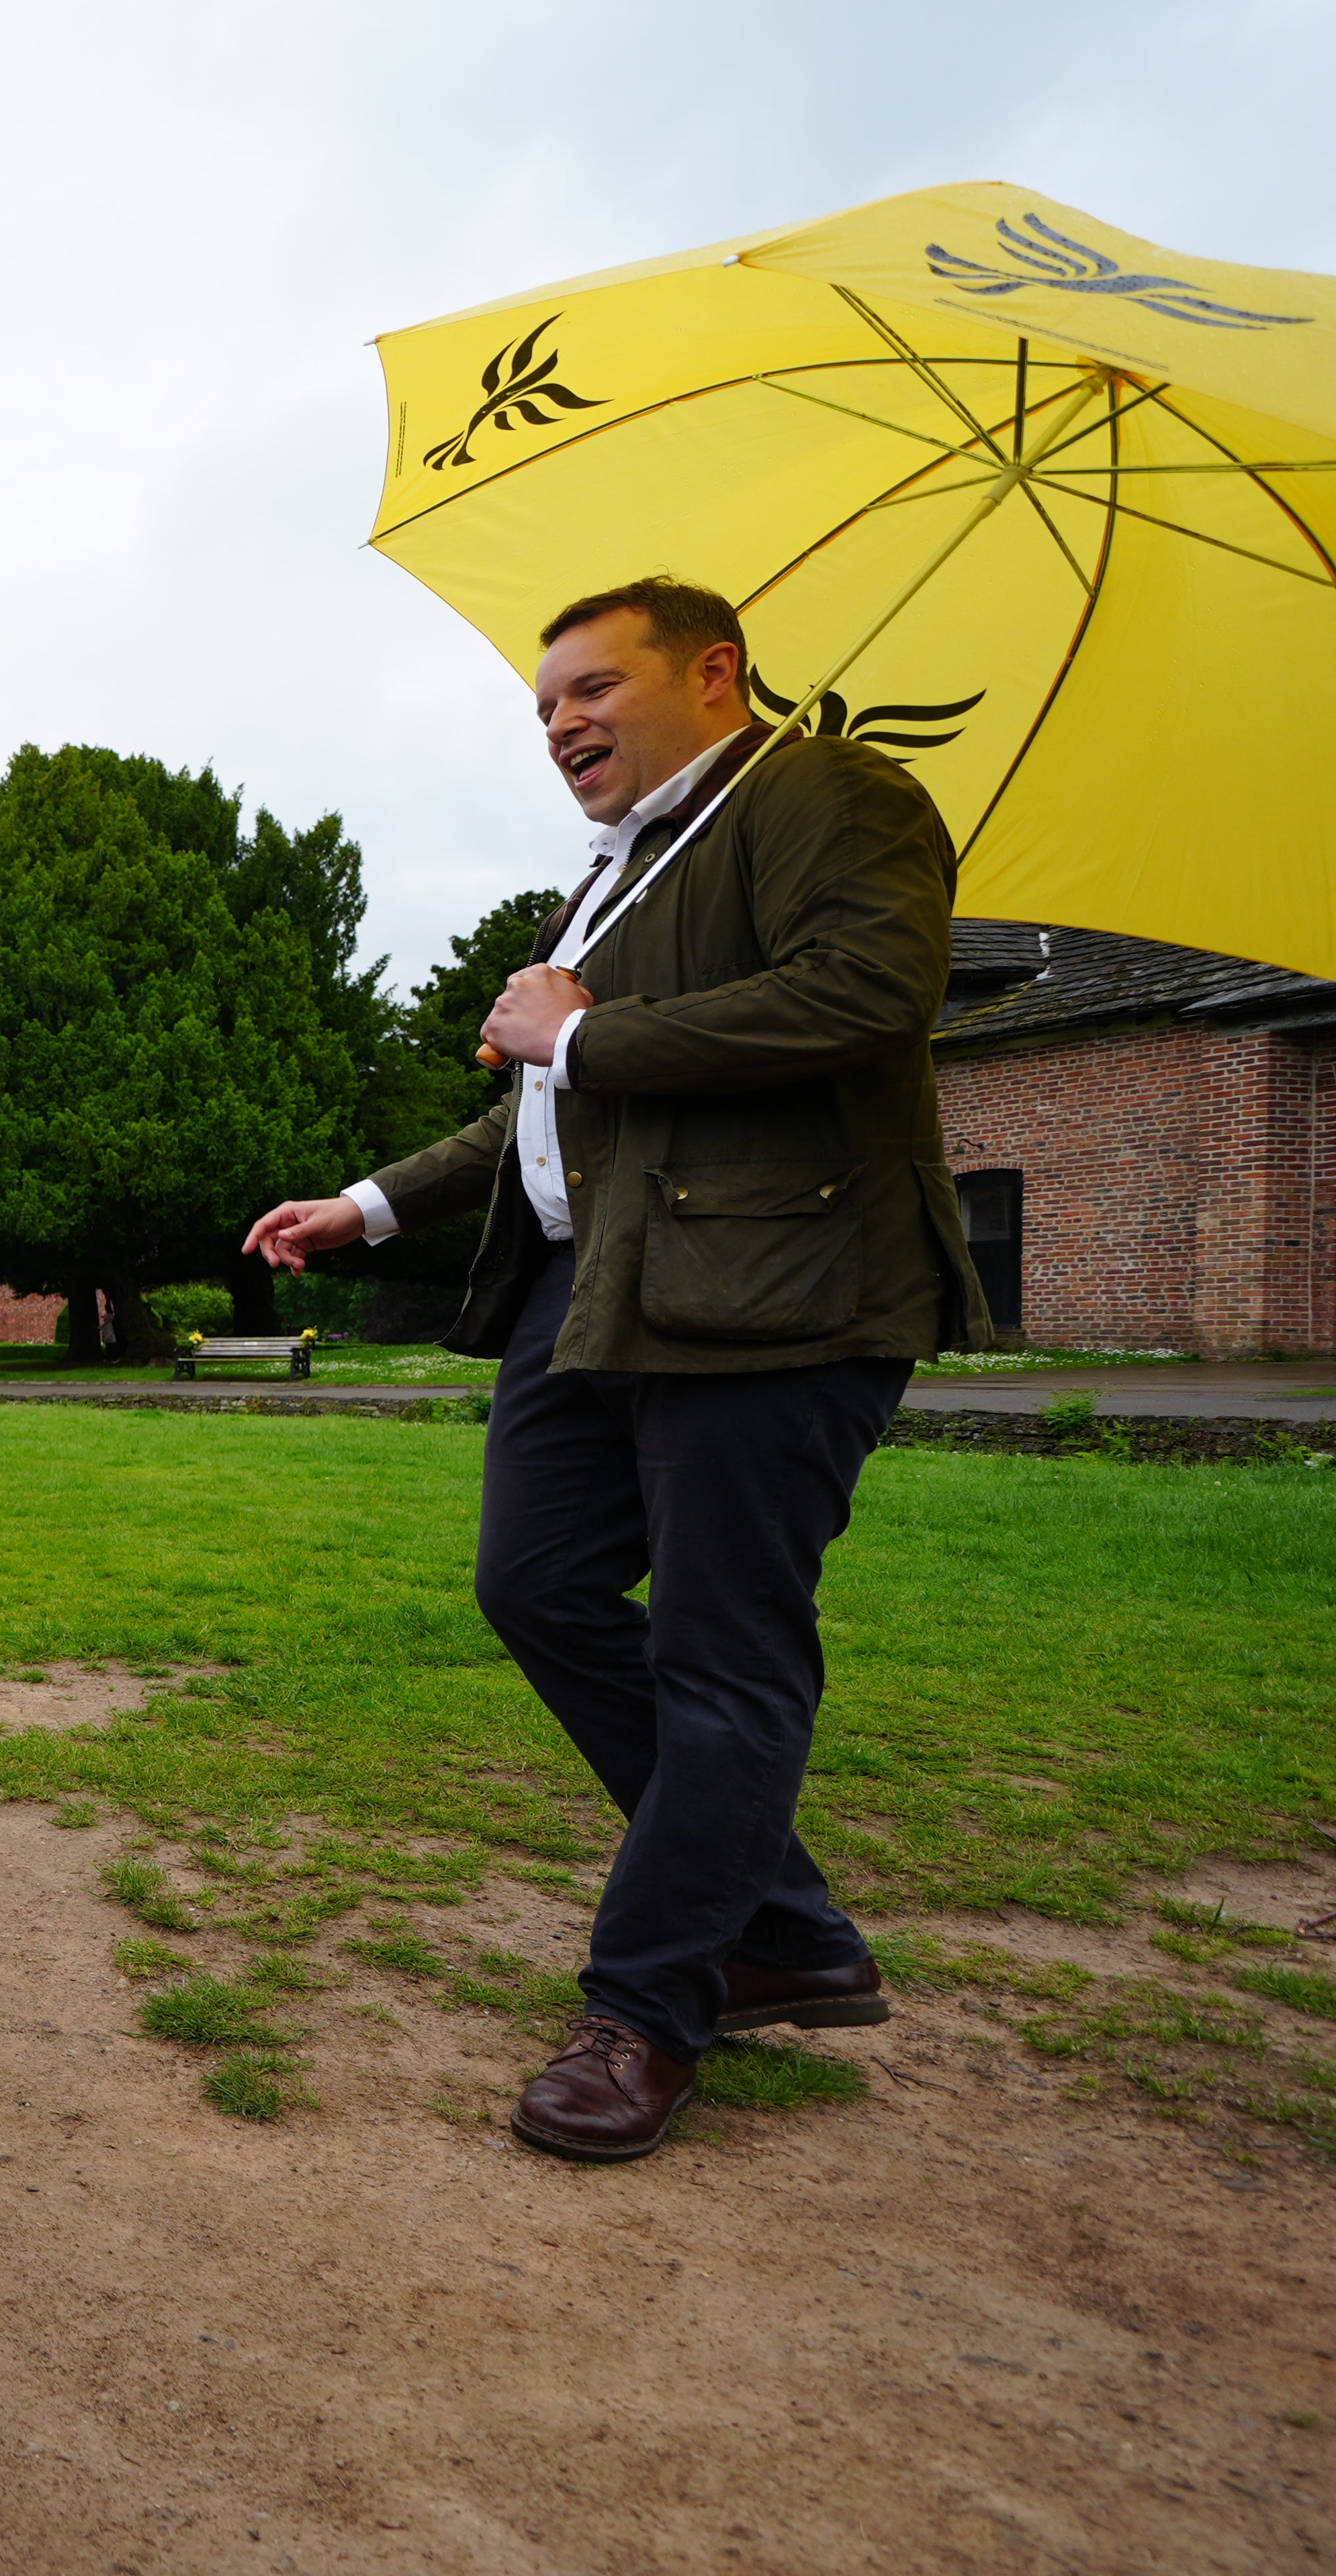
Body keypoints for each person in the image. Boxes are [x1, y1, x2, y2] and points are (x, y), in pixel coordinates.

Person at [244, 576, 989, 2162]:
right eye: (544, 707)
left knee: (729, 1651)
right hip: (595, 1289)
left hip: (781, 1291)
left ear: (714, 672)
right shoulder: (625, 866)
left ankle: (653, 2006)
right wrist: (370, 1204)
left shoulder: (835, 796)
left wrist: (580, 1033)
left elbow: (870, 994)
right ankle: (780, 1918)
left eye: (592, 687)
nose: (563, 723)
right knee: (537, 1583)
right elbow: (542, 1107)